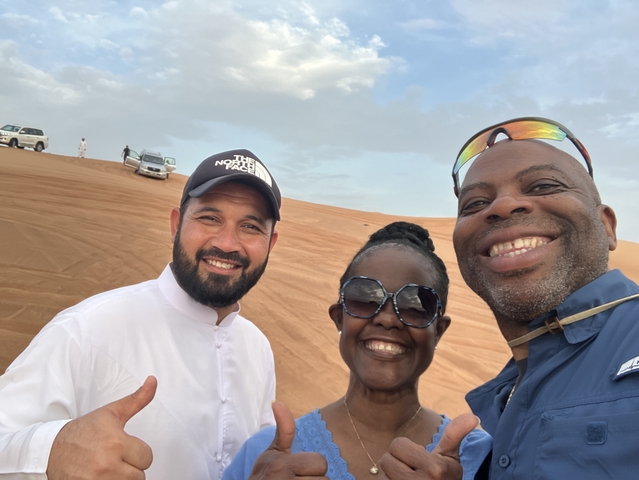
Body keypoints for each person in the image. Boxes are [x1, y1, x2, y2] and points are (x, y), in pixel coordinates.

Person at [0, 149, 282, 479]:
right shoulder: (87, 329)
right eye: (209, 218)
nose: (227, 242)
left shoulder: (258, 348)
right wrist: (51, 452)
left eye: (250, 226)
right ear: (176, 224)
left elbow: (259, 453)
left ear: (271, 243)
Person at [223, 222, 492, 480]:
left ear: (438, 331)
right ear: (339, 318)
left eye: (416, 306)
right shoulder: (263, 457)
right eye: (365, 298)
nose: (387, 319)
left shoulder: (484, 458)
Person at [449, 117, 639, 478]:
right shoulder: (508, 392)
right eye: (474, 203)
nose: (502, 206)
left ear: (607, 226)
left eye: (543, 185)